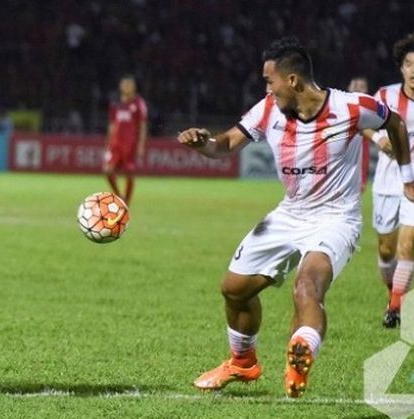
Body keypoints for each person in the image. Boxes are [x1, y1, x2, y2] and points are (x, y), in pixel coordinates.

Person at [177, 37, 413, 398]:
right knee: (233, 290)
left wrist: (406, 175)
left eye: (269, 81)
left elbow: (394, 124)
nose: (266, 89)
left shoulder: (351, 107)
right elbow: (224, 144)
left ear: (292, 81)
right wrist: (202, 143)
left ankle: (301, 354)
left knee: (307, 288)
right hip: (288, 215)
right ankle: (242, 363)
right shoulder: (268, 110)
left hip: (336, 219)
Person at [362, 34, 414, 328]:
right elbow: (360, 124)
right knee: (386, 249)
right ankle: (391, 293)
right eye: (409, 64)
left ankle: (395, 306)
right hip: (386, 181)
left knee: (408, 245)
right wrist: (379, 138)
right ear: (401, 68)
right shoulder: (385, 96)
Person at [104, 75, 147, 206]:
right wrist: (108, 143)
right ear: (120, 86)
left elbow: (143, 125)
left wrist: (141, 145)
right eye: (124, 84)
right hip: (115, 144)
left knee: (129, 172)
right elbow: (112, 125)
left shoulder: (139, 103)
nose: (127, 87)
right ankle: (118, 195)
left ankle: (126, 202)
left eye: (129, 85)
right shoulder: (115, 103)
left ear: (134, 87)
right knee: (108, 170)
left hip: (130, 144)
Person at [347, 76, 371, 193]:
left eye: (361, 87)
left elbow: (364, 155)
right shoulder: (337, 109)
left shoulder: (371, 114)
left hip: (356, 169)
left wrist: (362, 179)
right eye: (355, 86)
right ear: (348, 88)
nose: (358, 90)